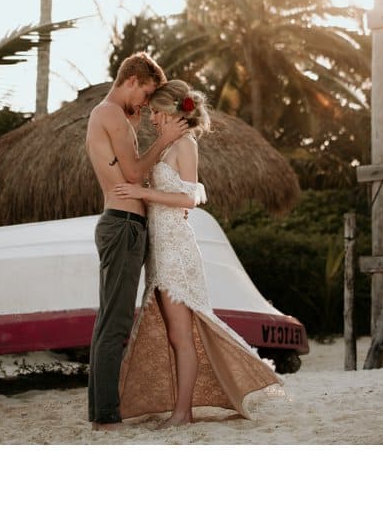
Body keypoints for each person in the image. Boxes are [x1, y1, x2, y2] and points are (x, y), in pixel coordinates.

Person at [111, 80, 282, 424]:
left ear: (174, 113)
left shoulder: (186, 145)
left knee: (181, 335)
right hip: (160, 250)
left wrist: (143, 194)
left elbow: (191, 198)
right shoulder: (166, 147)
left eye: (157, 113)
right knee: (175, 335)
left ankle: (183, 413)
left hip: (176, 249)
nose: (153, 120)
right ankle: (181, 408)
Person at [84, 52, 186, 429]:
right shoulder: (109, 113)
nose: (145, 102)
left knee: (109, 319)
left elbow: (131, 172)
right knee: (116, 322)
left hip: (124, 225)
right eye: (145, 92)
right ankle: (106, 415)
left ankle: (100, 410)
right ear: (132, 80)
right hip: (124, 225)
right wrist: (165, 140)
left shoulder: (115, 116)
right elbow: (134, 172)